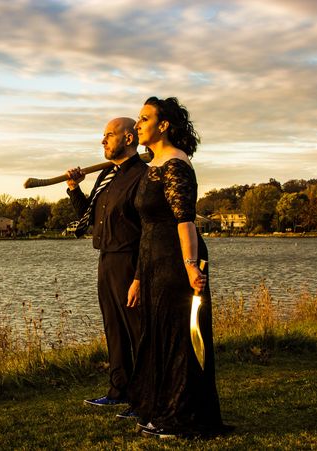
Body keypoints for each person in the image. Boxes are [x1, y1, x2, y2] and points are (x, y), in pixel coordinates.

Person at [126, 97, 228, 439]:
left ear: (164, 125)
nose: (137, 125)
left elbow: (184, 221)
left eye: (144, 119)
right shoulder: (152, 166)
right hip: (153, 262)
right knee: (157, 338)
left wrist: (190, 267)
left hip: (176, 262)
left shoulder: (176, 165)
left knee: (179, 339)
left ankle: (181, 419)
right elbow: (147, 228)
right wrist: (138, 278)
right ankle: (159, 409)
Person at [66, 117, 147, 409]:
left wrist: (139, 276)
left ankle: (143, 398)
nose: (103, 141)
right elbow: (88, 217)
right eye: (102, 136)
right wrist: (75, 188)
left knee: (137, 332)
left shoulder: (143, 175)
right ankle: (119, 391)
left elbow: (148, 232)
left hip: (130, 260)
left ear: (128, 138)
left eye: (109, 135)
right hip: (106, 259)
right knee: (113, 328)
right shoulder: (106, 176)